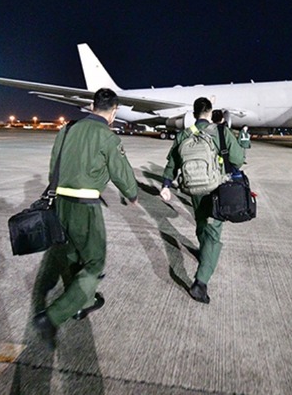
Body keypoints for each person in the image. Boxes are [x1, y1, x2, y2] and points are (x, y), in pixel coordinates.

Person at [33, 88, 138, 347]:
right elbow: (121, 174)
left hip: (60, 203)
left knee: (71, 256)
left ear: (92, 106)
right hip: (86, 206)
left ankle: (84, 303)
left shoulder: (67, 129)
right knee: (93, 264)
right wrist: (132, 195)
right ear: (113, 111)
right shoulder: (107, 136)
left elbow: (53, 167)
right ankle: (53, 316)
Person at [159, 97, 244, 304]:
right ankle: (200, 282)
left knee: (200, 221)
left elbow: (172, 163)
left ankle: (202, 250)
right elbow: (238, 160)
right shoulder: (221, 132)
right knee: (213, 234)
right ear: (210, 112)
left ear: (194, 113)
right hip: (215, 189)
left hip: (193, 189)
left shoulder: (184, 134)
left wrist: (166, 185)